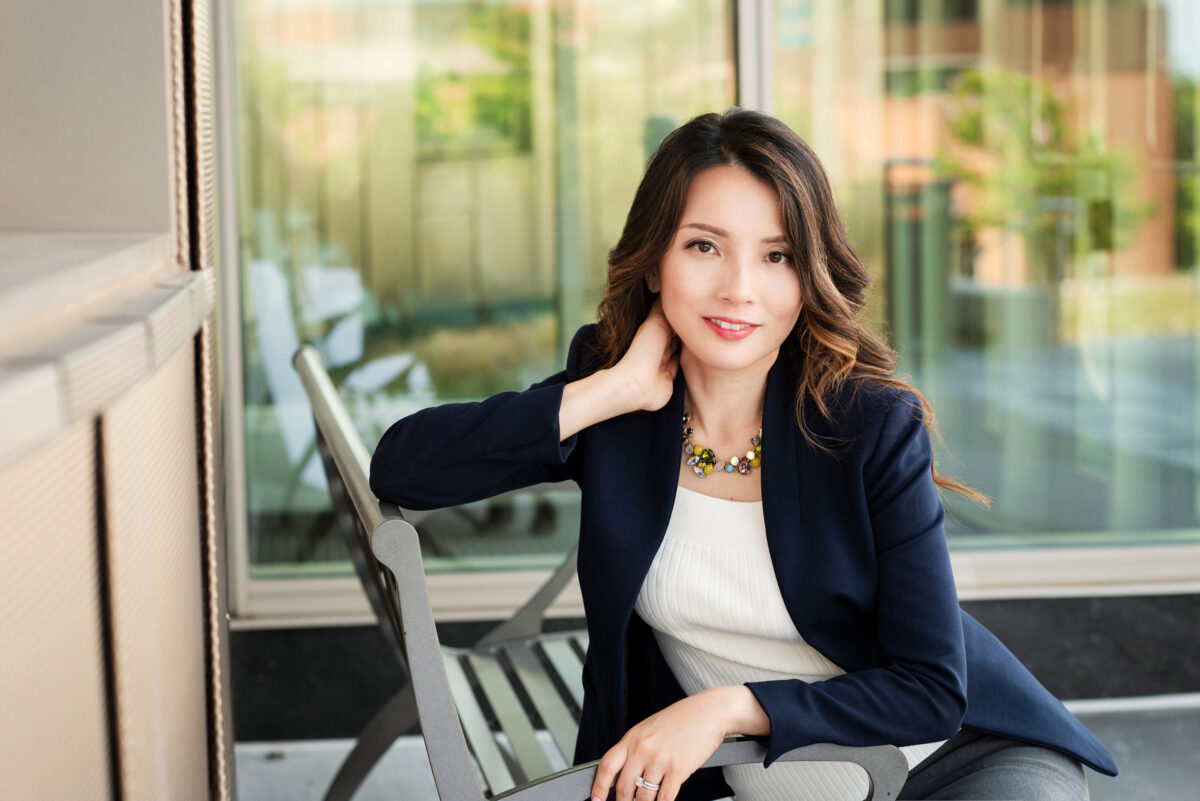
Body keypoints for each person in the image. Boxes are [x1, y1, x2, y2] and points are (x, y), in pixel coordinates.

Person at [369, 108, 1117, 801]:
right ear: (654, 260)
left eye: (777, 256)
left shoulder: (866, 426)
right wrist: (612, 389)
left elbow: (929, 687)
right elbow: (404, 467)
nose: (739, 290)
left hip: (950, 766)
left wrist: (729, 704)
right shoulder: (618, 400)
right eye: (704, 246)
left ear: (808, 275)